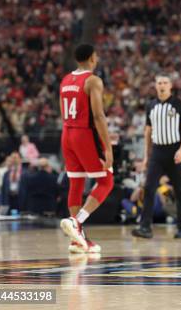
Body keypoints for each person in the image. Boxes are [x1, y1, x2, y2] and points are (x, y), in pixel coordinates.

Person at [59, 44, 114, 254]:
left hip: (67, 132)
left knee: (76, 181)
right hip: (84, 133)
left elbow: (62, 110)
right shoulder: (93, 80)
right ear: (92, 58)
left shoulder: (65, 80)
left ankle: (77, 240)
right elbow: (98, 115)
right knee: (106, 180)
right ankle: (77, 222)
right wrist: (107, 148)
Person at [131, 75, 181, 239]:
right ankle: (145, 227)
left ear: (170, 86)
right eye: (159, 83)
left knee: (180, 191)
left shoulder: (178, 104)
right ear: (155, 86)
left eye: (165, 82)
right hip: (157, 152)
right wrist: (146, 156)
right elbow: (148, 132)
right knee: (149, 188)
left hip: (175, 152)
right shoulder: (151, 105)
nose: (162, 85)